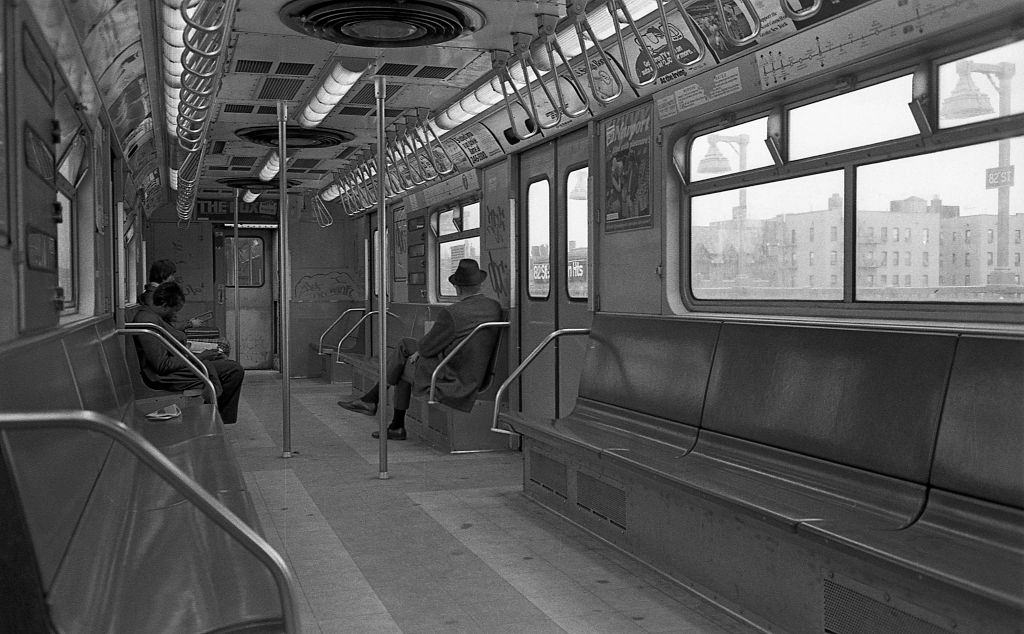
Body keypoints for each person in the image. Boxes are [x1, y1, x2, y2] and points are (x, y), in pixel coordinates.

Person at [339, 259, 503, 440]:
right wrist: (419, 351)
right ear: (480, 284)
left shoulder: (454, 312)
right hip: (473, 371)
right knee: (405, 348)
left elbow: (428, 346)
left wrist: (420, 352)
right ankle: (379, 408)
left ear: (457, 287)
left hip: (451, 374)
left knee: (401, 362)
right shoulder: (493, 307)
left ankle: (384, 412)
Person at [134, 282, 245, 425]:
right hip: (162, 376)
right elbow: (162, 365)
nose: (174, 315)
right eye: (173, 311)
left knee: (228, 365)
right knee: (233, 370)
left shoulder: (153, 316)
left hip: (177, 364)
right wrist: (201, 357)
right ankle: (218, 420)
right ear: (165, 306)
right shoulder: (148, 321)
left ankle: (217, 418)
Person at [138, 259, 204, 329]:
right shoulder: (152, 297)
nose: (173, 279)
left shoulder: (152, 295)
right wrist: (189, 324)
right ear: (163, 275)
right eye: (171, 275)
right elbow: (163, 325)